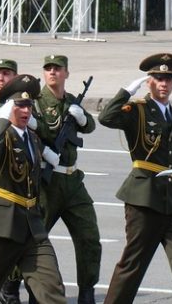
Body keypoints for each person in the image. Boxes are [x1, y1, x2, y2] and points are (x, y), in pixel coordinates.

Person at [0, 74, 67, 303]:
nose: (25, 111)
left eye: (29, 105)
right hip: (1, 226)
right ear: (9, 107)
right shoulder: (1, 135)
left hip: (32, 226)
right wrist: (1, 121)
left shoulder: (32, 138)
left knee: (52, 287)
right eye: (19, 105)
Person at [98, 53, 172, 303]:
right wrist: (125, 92)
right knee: (133, 266)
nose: (164, 83)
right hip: (144, 199)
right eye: (159, 78)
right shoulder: (137, 110)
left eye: (169, 79)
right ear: (149, 81)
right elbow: (106, 118)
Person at [32, 54, 100, 304]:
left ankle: (87, 291)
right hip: (47, 183)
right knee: (34, 241)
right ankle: (23, 289)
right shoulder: (36, 103)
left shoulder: (72, 101)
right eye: (48, 68)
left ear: (66, 74)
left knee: (89, 237)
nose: (53, 72)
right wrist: (43, 151)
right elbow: (25, 134)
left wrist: (82, 117)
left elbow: (89, 126)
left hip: (72, 181)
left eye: (57, 69)